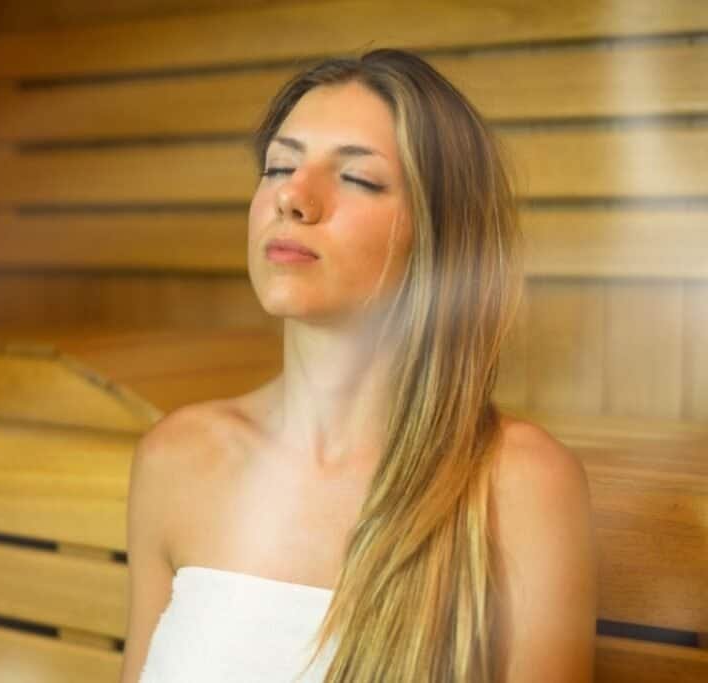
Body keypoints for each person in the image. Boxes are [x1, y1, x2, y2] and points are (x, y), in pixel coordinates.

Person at [119, 48, 597, 683]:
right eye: (279, 167)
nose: (293, 195)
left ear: (441, 238)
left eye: (358, 179)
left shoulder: (519, 487)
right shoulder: (177, 458)